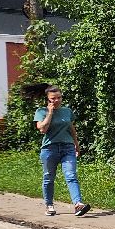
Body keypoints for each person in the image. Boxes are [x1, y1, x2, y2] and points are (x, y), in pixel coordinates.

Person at [34, 86, 89, 217]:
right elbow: (42, 129)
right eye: (53, 98)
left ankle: (78, 204)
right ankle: (49, 205)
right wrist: (50, 113)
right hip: (49, 149)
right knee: (48, 178)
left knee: (71, 175)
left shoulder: (67, 111)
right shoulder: (41, 111)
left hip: (67, 147)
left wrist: (76, 144)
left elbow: (71, 128)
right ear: (47, 99)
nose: (57, 100)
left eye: (59, 97)